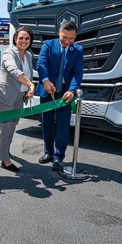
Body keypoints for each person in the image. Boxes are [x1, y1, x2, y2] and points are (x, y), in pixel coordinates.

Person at [36, 20, 83, 171]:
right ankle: (48, 153)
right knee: (47, 124)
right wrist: (45, 81)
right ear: (59, 33)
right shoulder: (48, 45)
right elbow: (41, 64)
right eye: (64, 37)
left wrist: (73, 89)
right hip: (48, 90)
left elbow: (77, 73)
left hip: (65, 93)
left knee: (63, 125)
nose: (67, 41)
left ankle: (58, 157)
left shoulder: (78, 50)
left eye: (71, 38)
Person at [0, 26, 36, 173]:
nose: (24, 41)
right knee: (5, 128)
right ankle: (4, 160)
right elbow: (14, 71)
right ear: (15, 39)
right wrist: (30, 84)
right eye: (21, 38)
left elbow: (29, 73)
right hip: (6, 96)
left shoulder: (29, 55)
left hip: (20, 96)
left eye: (27, 38)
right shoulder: (9, 53)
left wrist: (28, 88)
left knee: (13, 126)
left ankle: (5, 150)